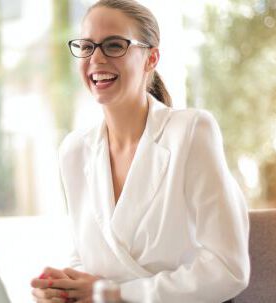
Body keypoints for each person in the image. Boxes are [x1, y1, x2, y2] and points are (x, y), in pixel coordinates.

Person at [30, 0, 250, 302]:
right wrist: (62, 289)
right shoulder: (74, 151)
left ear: (151, 58)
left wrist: (115, 295)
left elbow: (228, 269)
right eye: (87, 46)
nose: (96, 58)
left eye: (114, 45)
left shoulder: (191, 132)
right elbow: (84, 259)